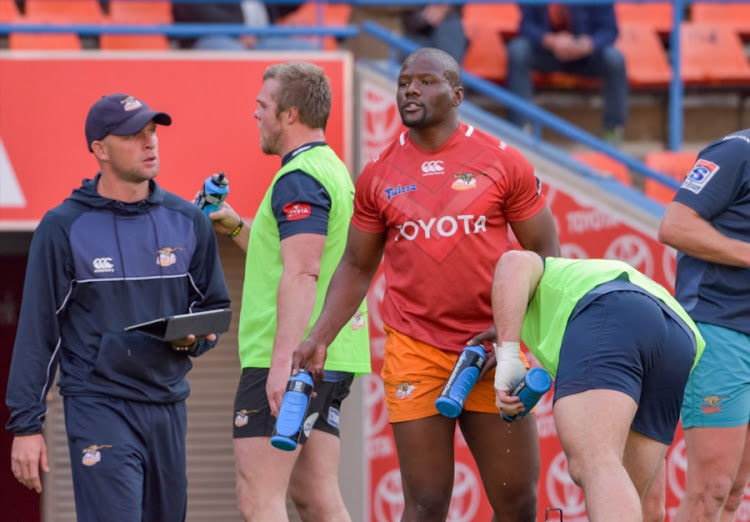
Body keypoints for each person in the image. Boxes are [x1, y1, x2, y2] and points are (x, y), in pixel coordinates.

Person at [292, 47, 560, 521]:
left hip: (493, 348)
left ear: (457, 95)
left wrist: (512, 335)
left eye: (426, 81)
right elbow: (356, 266)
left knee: (517, 501)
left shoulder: (502, 161)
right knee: (426, 500)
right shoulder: (377, 175)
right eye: (403, 82)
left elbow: (544, 255)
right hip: (415, 349)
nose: (411, 89)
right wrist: (318, 337)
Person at [5, 93, 231, 522]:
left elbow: (215, 306)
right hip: (98, 404)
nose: (150, 143)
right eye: (133, 136)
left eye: (152, 132)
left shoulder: (189, 221)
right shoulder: (62, 227)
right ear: (100, 150)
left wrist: (192, 341)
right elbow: (38, 333)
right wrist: (26, 426)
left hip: (168, 404)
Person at [205, 62, 371, 522]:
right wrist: (236, 226)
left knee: (258, 496)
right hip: (327, 356)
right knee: (316, 496)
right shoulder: (328, 167)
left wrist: (282, 366)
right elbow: (289, 254)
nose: (255, 113)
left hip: (290, 358)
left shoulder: (299, 178)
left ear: (290, 113)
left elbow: (303, 273)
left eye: (263, 105)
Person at [489, 252, 704, 520]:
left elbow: (512, 261)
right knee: (635, 495)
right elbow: (653, 508)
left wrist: (507, 356)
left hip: (610, 309)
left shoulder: (541, 279)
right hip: (680, 336)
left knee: (594, 461)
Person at [658, 131, 750, 521]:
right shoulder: (736, 152)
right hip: (718, 327)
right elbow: (674, 226)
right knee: (709, 491)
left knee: (732, 495)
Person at [505, 3, 628, 144]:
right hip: (548, 53)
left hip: (585, 56)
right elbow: (526, 26)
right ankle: (521, 127)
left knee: (615, 58)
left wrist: (588, 44)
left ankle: (613, 131)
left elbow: (609, 31)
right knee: (518, 50)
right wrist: (550, 40)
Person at [402, 4, 467, 65]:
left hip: (447, 33)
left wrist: (446, 10)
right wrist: (425, 15)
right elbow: (408, 18)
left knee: (452, 24)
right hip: (418, 37)